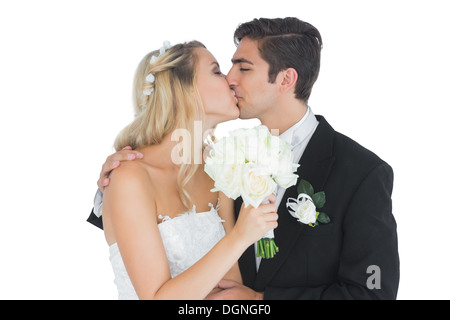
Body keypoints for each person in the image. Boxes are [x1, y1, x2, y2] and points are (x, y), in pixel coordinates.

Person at [91, 17, 400, 300]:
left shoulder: (362, 173)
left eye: (244, 68)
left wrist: (259, 301)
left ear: (285, 80)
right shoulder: (228, 162)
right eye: (222, 69)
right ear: (182, 91)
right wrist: (110, 187)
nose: (230, 79)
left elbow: (372, 294)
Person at [89, 40, 279, 299]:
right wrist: (240, 237)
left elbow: (230, 289)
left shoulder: (218, 170)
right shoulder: (129, 177)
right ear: (184, 90)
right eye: (217, 71)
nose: (231, 81)